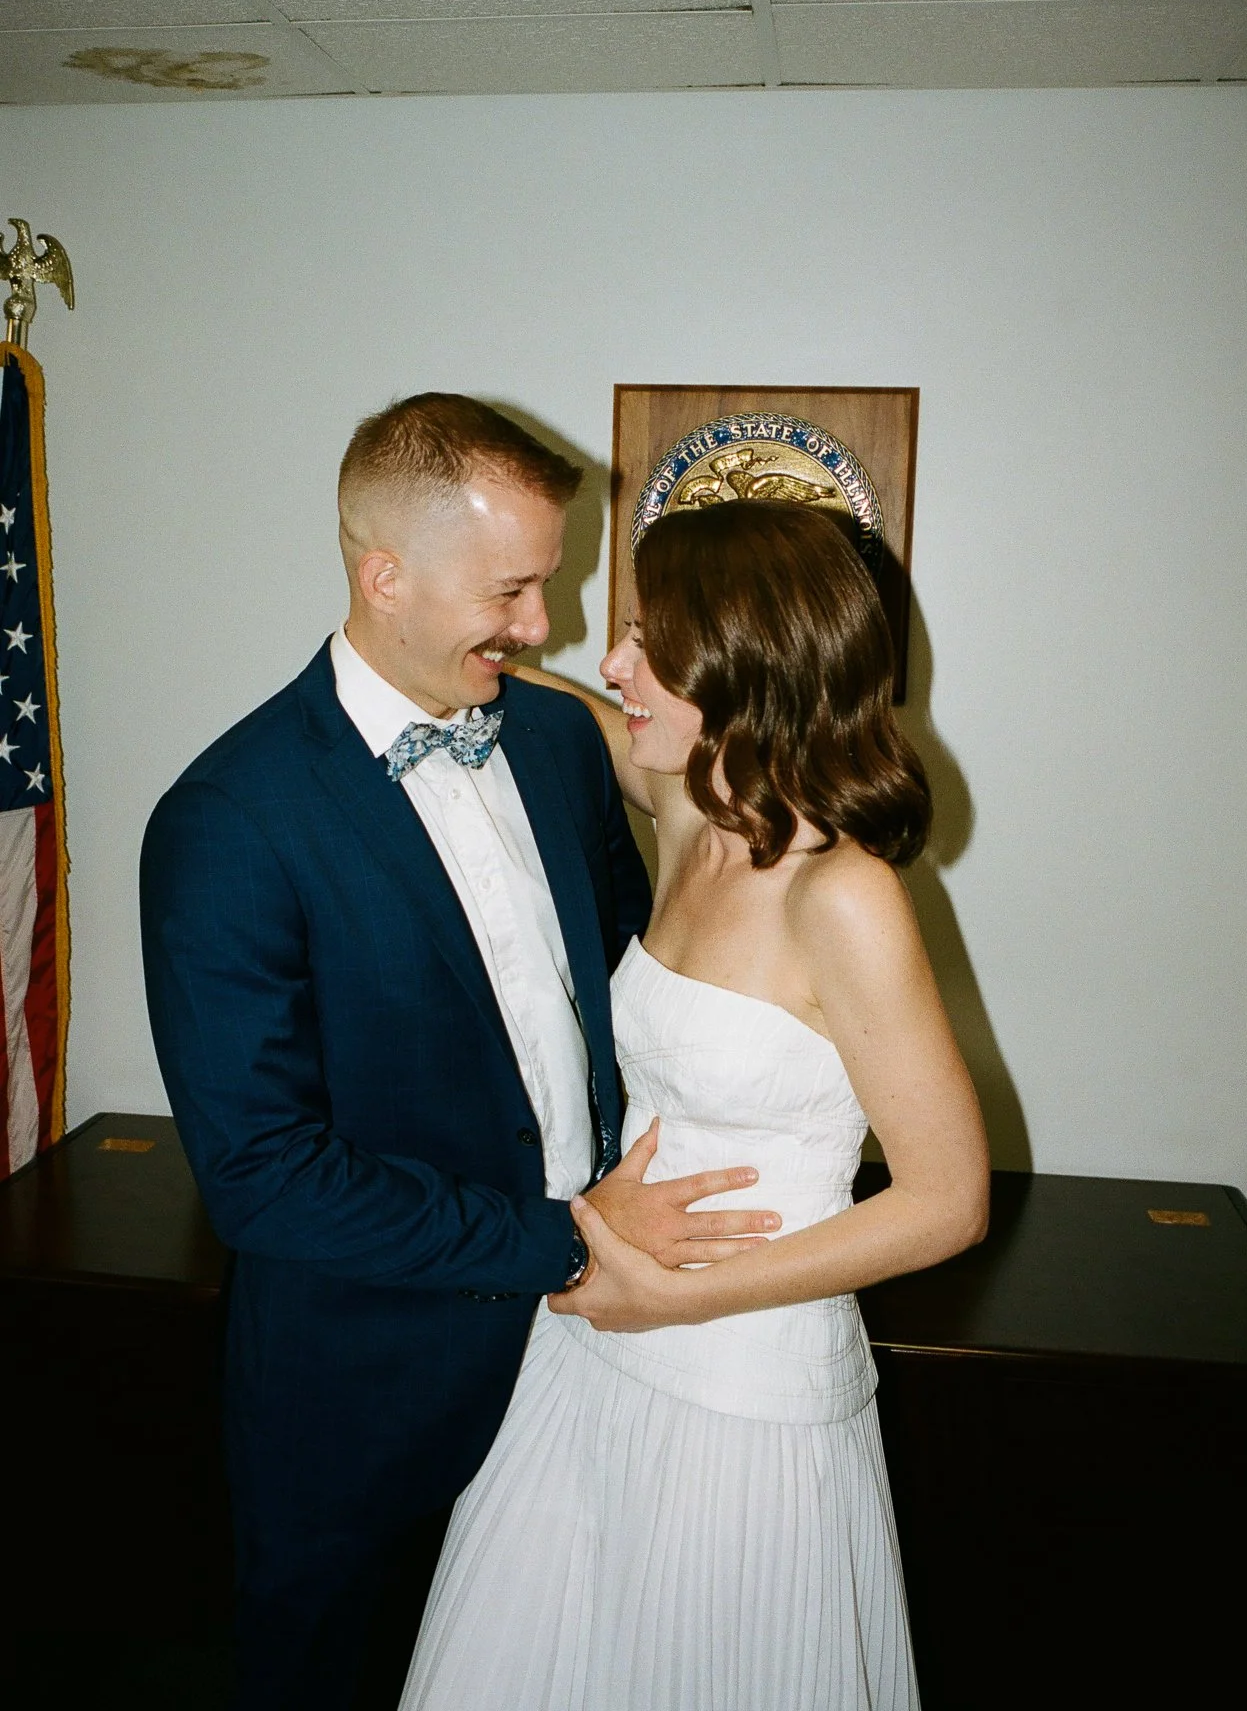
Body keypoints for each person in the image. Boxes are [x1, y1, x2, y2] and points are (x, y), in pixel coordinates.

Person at [138, 394, 779, 1711]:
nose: (543, 626)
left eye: (545, 583)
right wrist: (563, 1238)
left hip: (606, 1352)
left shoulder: (548, 736)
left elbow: (618, 980)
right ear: (385, 577)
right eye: (515, 589)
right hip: (367, 1396)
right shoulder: (227, 821)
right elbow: (261, 1176)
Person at [400, 498, 991, 1711]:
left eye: (647, 643)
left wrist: (677, 1293)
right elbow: (549, 700)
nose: (612, 662)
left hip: (742, 1382)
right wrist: (430, 629)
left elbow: (948, 1202)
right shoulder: (690, 811)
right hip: (592, 1347)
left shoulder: (843, 895)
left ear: (745, 667)